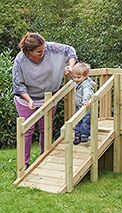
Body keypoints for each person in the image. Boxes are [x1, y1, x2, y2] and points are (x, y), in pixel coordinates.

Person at [12, 32, 77, 169]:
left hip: (48, 97)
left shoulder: (50, 48)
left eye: (44, 49)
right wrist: (29, 100)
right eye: (39, 51)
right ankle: (24, 165)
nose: (43, 52)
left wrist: (71, 67)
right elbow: (18, 84)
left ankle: (44, 158)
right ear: (28, 51)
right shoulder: (20, 60)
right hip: (26, 99)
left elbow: (69, 50)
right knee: (27, 130)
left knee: (46, 129)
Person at [72, 62, 95, 145]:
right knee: (78, 121)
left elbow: (87, 93)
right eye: (74, 77)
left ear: (85, 76)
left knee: (85, 121)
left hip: (85, 106)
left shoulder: (86, 84)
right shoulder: (78, 83)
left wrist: (85, 100)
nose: (76, 79)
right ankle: (77, 135)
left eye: (78, 77)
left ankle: (84, 135)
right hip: (78, 106)